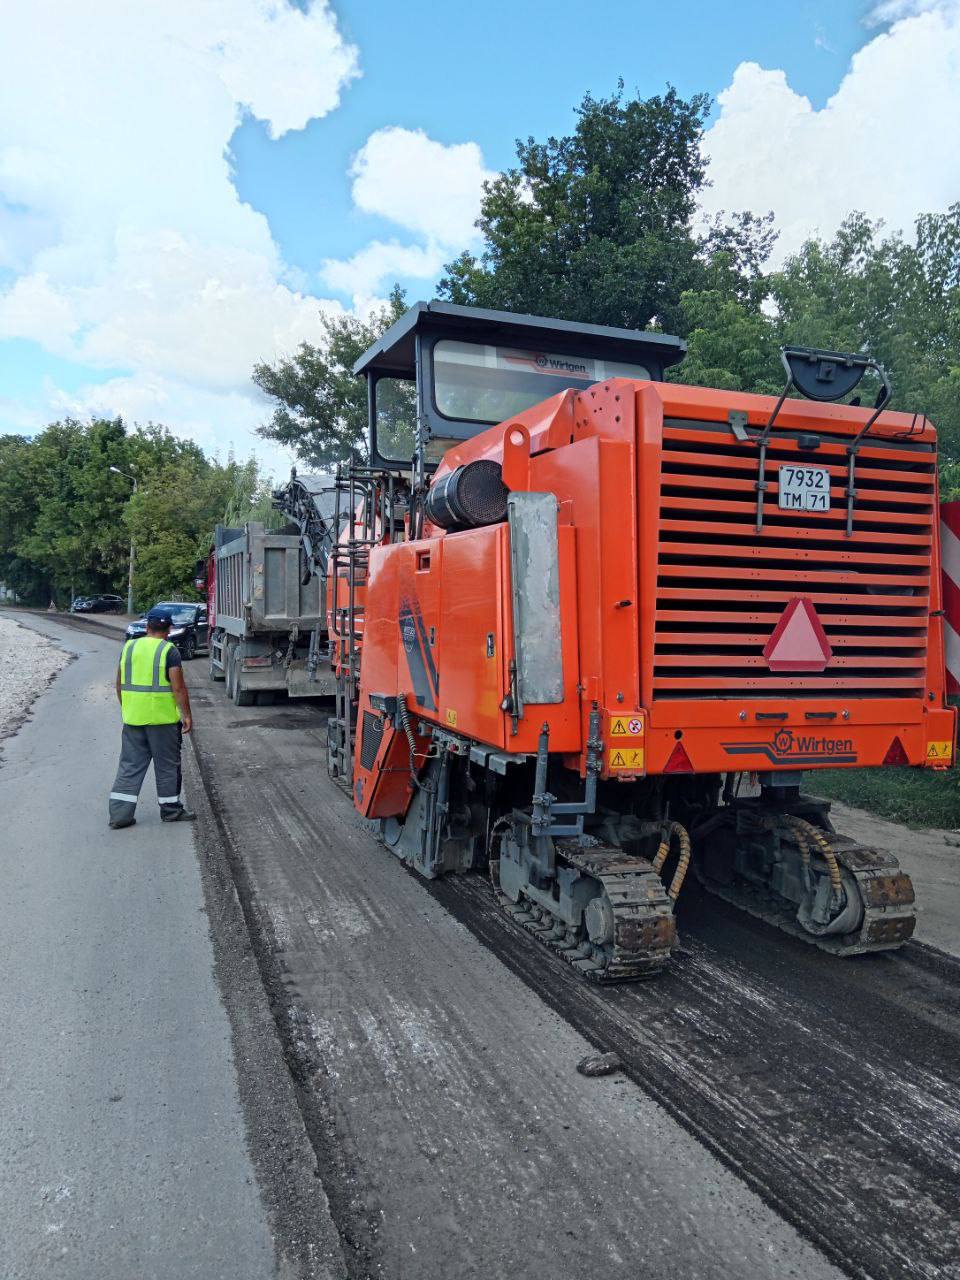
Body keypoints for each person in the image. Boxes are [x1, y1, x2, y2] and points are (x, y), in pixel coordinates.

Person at [108, 607, 196, 828]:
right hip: (163, 721)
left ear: (147, 626)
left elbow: (119, 684)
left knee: (129, 766)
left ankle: (120, 816)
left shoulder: (129, 647)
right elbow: (178, 688)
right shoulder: (169, 651)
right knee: (167, 766)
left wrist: (128, 707)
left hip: (133, 719)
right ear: (168, 629)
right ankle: (171, 811)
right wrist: (186, 715)